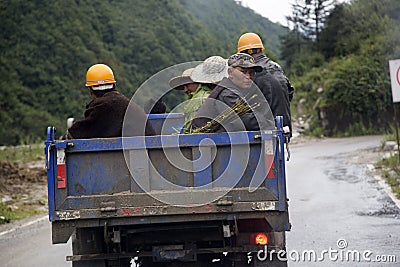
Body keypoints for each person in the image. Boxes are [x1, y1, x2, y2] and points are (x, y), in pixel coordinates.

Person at [62, 63, 155, 139]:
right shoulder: (125, 103)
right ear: (114, 85)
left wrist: (65, 138)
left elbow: (83, 130)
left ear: (90, 91)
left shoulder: (104, 107)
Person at [192, 53, 274, 132]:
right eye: (243, 72)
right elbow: (247, 121)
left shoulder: (239, 90)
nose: (248, 77)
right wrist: (269, 123)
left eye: (251, 73)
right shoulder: (227, 94)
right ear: (230, 72)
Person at [237, 32, 293, 134]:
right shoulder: (277, 67)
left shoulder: (252, 72)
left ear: (245, 53)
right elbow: (290, 92)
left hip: (266, 132)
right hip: (284, 128)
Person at [169, 56, 228, 133]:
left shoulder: (203, 99)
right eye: (183, 87)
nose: (185, 90)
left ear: (198, 81)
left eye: (187, 85)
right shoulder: (201, 98)